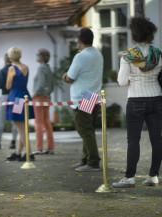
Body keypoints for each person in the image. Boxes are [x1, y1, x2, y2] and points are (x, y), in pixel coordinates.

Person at [112, 17, 162, 188]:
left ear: (134, 34)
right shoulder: (157, 53)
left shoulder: (128, 56)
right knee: (156, 139)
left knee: (133, 140)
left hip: (136, 100)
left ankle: (129, 178)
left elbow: (121, 82)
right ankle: (153, 176)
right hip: (156, 99)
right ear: (150, 34)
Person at [62, 28, 103, 172]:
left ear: (79, 40)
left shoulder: (80, 56)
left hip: (82, 97)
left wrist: (64, 76)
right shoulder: (98, 55)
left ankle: (93, 162)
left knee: (85, 131)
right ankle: (85, 159)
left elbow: (70, 77)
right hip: (93, 96)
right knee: (88, 130)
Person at [5, 46, 35, 162]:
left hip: (16, 98)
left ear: (10, 56)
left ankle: (30, 153)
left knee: (21, 128)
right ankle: (18, 153)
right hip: (25, 96)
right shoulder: (26, 67)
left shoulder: (12, 69)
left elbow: (8, 86)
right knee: (22, 127)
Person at [0, 54, 18, 149]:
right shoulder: (16, 69)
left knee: (0, 120)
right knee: (16, 120)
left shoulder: (3, 70)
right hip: (16, 97)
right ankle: (13, 142)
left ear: (5, 59)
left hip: (5, 96)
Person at [32, 48, 55, 155]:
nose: (36, 56)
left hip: (39, 97)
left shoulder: (41, 68)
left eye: (37, 54)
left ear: (41, 57)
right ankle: (50, 148)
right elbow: (52, 85)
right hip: (47, 98)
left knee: (38, 124)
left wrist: (34, 94)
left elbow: (40, 84)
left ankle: (39, 148)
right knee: (47, 124)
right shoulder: (48, 68)